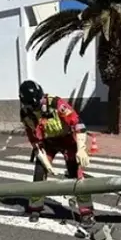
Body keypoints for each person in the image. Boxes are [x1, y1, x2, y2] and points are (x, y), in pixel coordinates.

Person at [18, 80, 94, 227]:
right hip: (48, 144)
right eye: (33, 105)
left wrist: (81, 149)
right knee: (39, 173)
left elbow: (77, 123)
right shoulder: (26, 114)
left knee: (76, 175)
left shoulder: (56, 103)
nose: (37, 107)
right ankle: (35, 207)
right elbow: (34, 140)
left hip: (67, 141)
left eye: (39, 103)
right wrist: (46, 163)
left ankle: (86, 213)